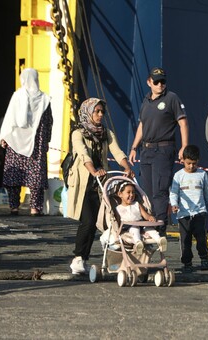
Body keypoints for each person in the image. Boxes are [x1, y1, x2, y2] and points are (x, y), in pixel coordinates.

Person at [67, 98, 134, 275]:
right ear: (88, 112)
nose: (100, 115)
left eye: (102, 112)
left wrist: (126, 167)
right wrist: (93, 171)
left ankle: (84, 259)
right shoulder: (78, 133)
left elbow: (117, 151)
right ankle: (77, 258)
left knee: (97, 223)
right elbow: (83, 154)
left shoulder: (106, 133)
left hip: (101, 184)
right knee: (87, 221)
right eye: (96, 111)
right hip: (84, 183)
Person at [128, 67, 189, 236]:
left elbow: (182, 122)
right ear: (149, 82)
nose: (160, 84)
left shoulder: (171, 98)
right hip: (146, 150)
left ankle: (160, 227)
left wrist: (184, 146)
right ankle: (151, 223)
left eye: (163, 81)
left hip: (163, 149)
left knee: (160, 190)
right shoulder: (146, 101)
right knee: (147, 191)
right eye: (156, 81)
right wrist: (134, 147)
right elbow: (142, 125)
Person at [0, 68, 53, 216]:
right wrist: (46, 140)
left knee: (14, 174)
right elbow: (48, 122)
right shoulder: (45, 99)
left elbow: (9, 118)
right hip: (37, 145)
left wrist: (3, 136)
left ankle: (14, 207)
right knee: (36, 177)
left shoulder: (17, 96)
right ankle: (35, 208)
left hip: (16, 142)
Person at [169, 145, 208, 272]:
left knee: (201, 238)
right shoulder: (178, 176)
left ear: (198, 161)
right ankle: (187, 262)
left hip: (199, 213)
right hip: (183, 214)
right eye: (188, 163)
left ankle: (204, 258)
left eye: (194, 163)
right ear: (183, 160)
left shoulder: (202, 174)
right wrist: (174, 204)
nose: (191, 166)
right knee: (185, 240)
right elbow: (174, 192)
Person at [115, 182, 167, 255]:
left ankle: (160, 240)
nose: (131, 195)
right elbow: (117, 222)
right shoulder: (118, 208)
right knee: (135, 228)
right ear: (120, 194)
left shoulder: (136, 204)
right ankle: (138, 243)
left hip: (141, 225)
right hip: (128, 227)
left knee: (150, 229)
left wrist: (150, 217)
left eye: (133, 192)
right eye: (128, 192)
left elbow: (145, 215)